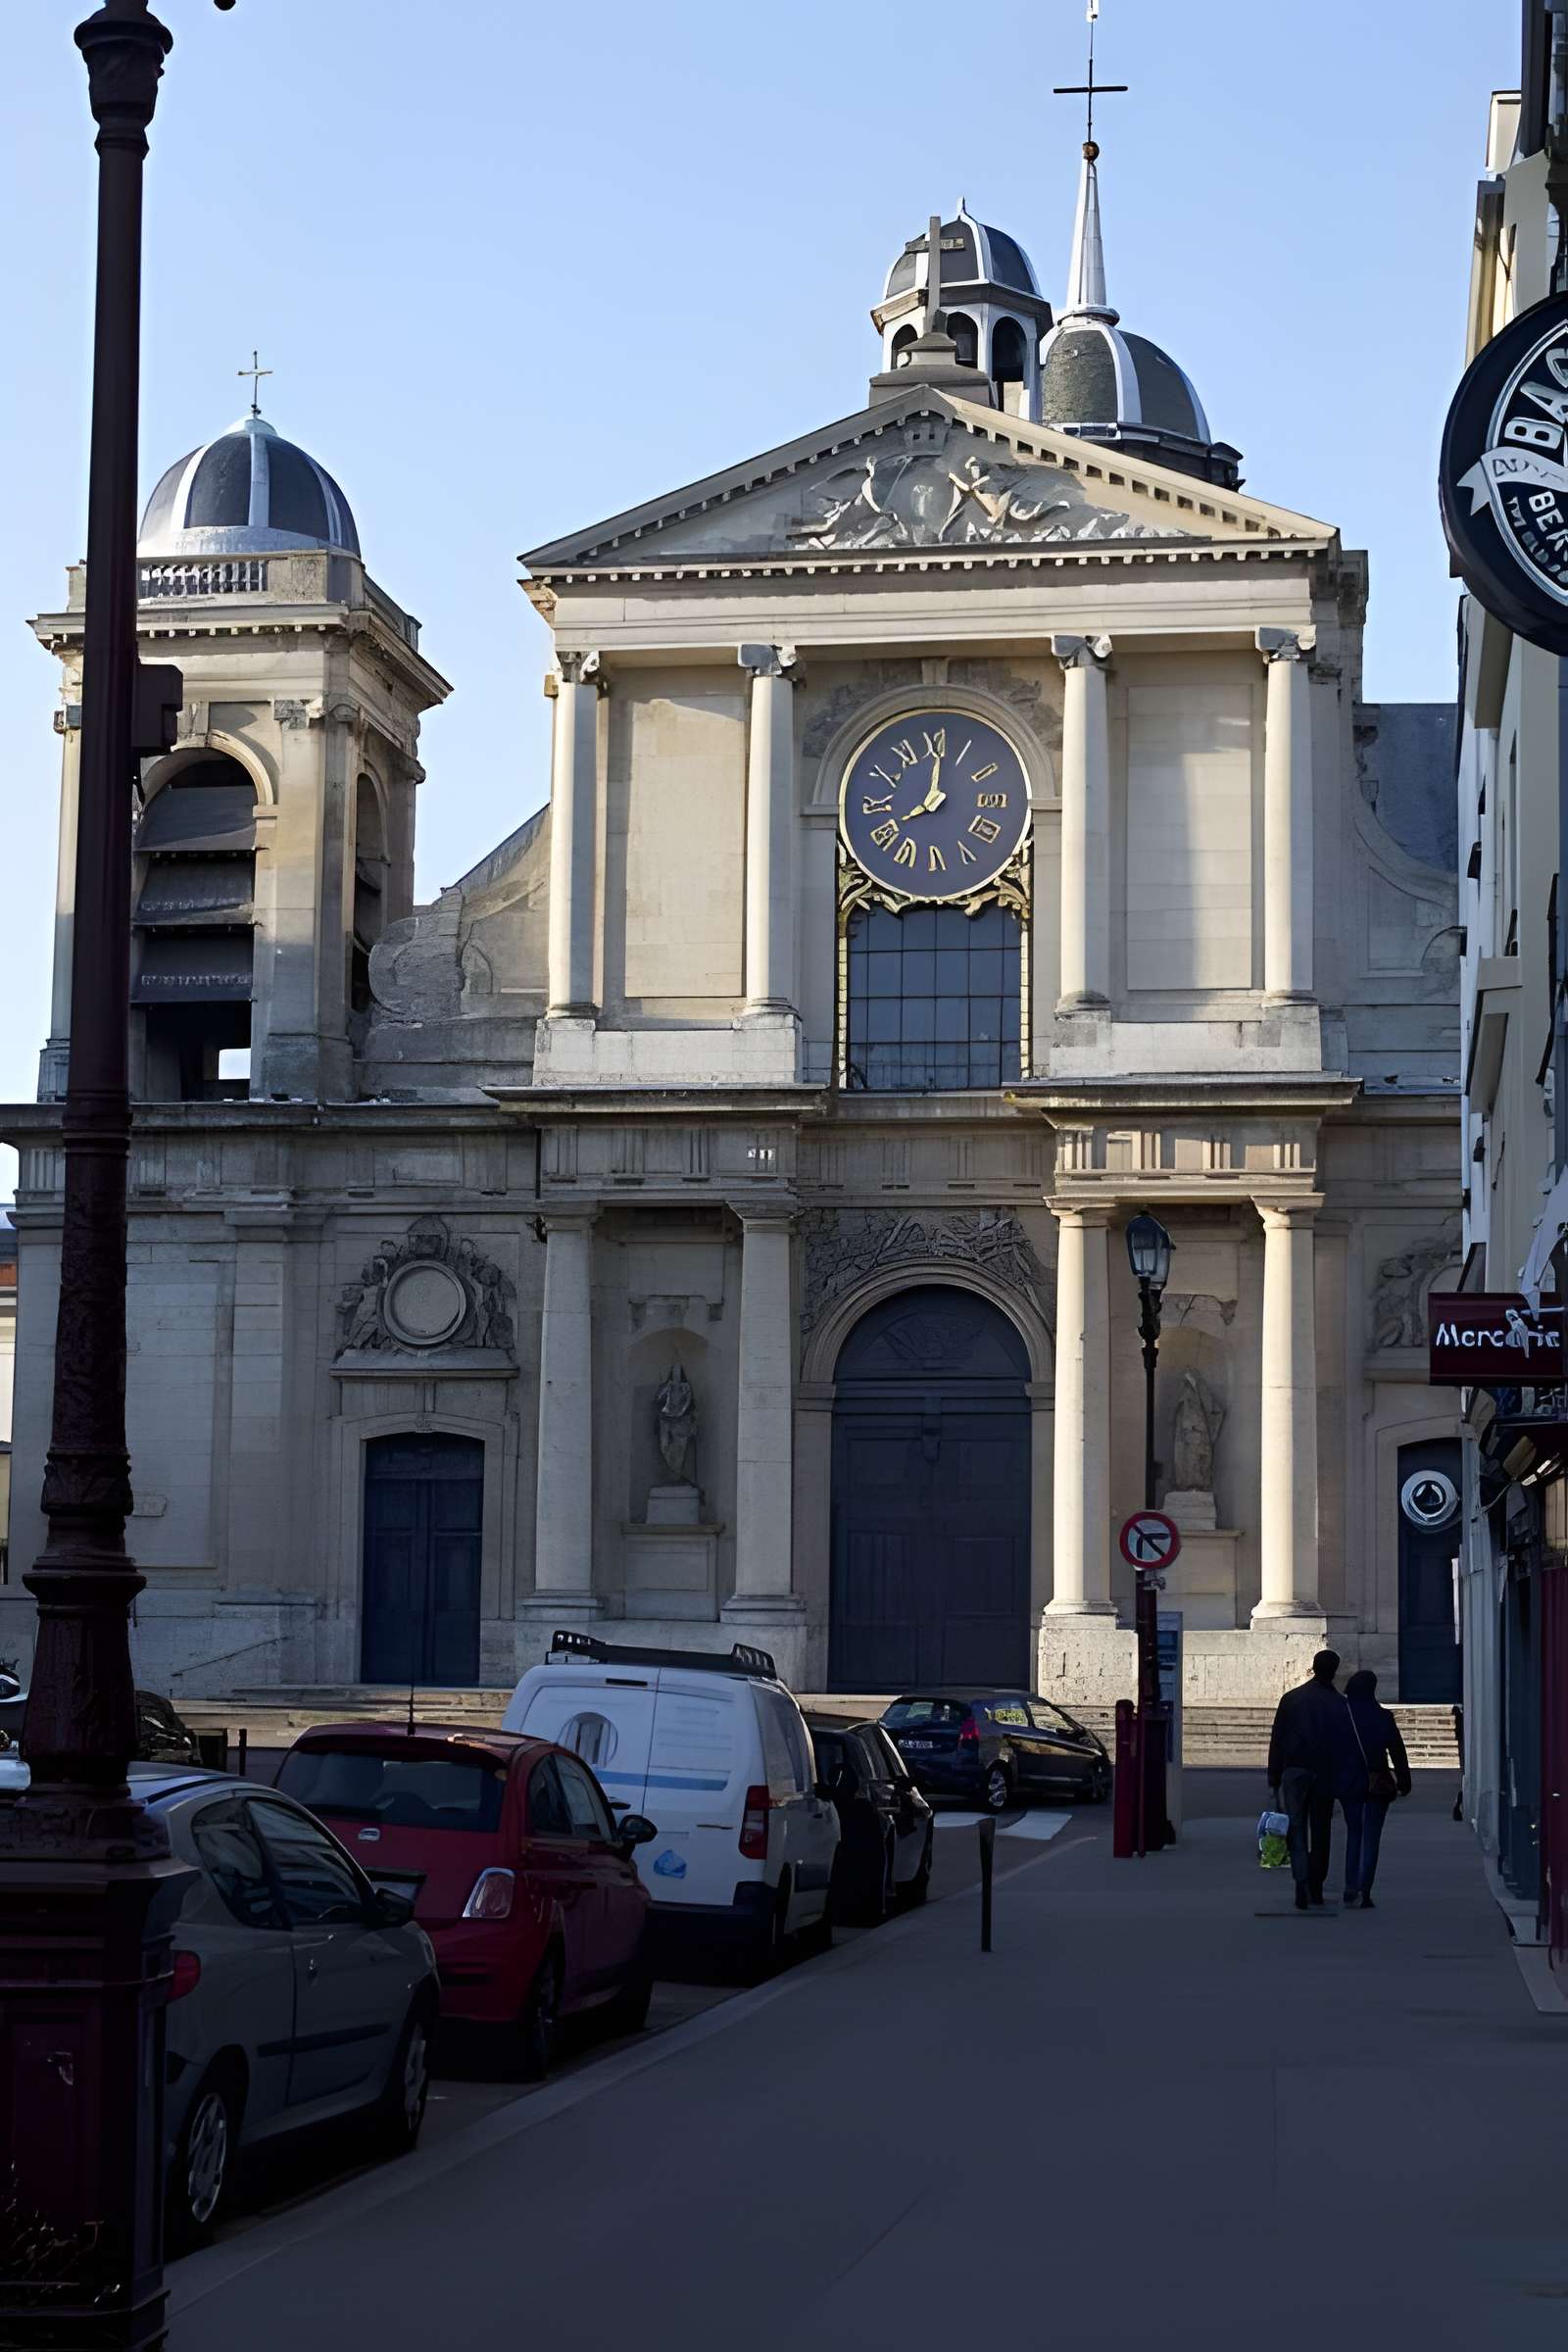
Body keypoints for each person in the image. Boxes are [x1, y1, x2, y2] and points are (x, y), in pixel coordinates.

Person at [1266, 1650, 1348, 1910]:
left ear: (1313, 1668)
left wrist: (1273, 1777)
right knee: (1322, 1829)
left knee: (1296, 1827)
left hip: (1295, 1771)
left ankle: (1300, 1881)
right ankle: (1317, 1886)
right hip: (1324, 1772)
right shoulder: (1339, 1703)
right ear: (1334, 1671)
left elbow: (1277, 1739)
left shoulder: (1291, 1699)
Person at [1338, 1668, 1412, 1908]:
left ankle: (1350, 1886)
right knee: (1371, 1837)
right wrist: (1403, 1782)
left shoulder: (1342, 1715)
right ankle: (1365, 1890)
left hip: (1349, 1783)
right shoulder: (1383, 1716)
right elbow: (1398, 1752)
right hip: (1376, 1783)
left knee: (1354, 1834)